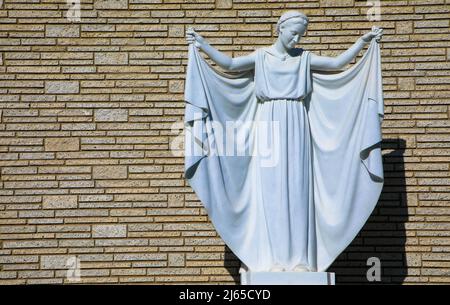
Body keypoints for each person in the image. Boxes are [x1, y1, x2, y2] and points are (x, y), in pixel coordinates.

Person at [183, 10, 385, 273]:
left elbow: (336, 65)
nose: (296, 39)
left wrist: (362, 42)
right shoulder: (261, 57)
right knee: (273, 190)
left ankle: (300, 259)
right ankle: (272, 258)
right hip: (269, 122)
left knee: (298, 189)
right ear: (280, 29)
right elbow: (230, 65)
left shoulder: (304, 58)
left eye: (301, 35)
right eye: (293, 33)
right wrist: (202, 45)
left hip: (297, 124)